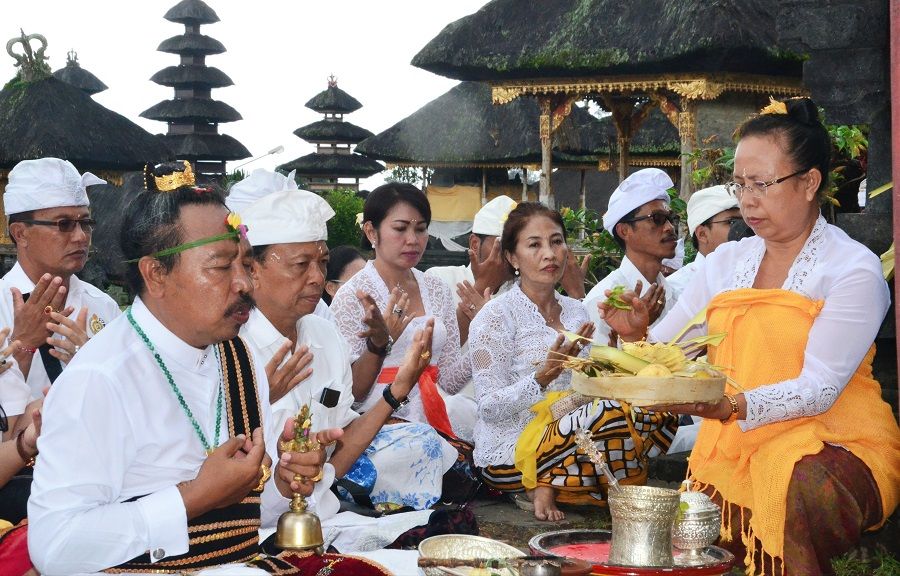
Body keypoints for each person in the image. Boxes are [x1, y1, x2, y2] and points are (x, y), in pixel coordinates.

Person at [601, 97, 900, 576]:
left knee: (793, 482)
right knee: (689, 525)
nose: (747, 200)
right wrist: (638, 338)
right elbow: (670, 353)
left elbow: (820, 388)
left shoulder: (851, 269)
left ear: (809, 183)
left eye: (762, 184)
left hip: (839, 439)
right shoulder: (725, 263)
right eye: (739, 185)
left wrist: (734, 408)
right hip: (733, 441)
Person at [27, 162, 372, 575]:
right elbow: (55, 547)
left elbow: (242, 522)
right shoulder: (99, 377)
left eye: (243, 263)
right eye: (221, 266)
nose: (243, 283)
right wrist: (193, 496)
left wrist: (283, 482)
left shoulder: (240, 358)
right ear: (156, 273)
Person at [233, 171, 452, 515]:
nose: (318, 278)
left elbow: (338, 453)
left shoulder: (324, 335)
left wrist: (398, 389)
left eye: (321, 263)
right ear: (252, 269)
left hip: (324, 517)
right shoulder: (232, 351)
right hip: (256, 525)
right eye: (301, 265)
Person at [469, 202, 678, 522]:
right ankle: (551, 483)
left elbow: (594, 385)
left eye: (556, 241)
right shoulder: (494, 317)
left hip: (577, 432)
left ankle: (578, 483)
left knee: (657, 404)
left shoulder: (576, 310)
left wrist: (631, 336)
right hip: (511, 452)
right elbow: (488, 407)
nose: (549, 253)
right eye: (534, 244)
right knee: (607, 415)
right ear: (512, 257)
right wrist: (541, 378)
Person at [330, 182, 480, 503]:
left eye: (421, 229)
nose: (412, 240)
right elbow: (350, 396)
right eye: (400, 228)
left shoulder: (437, 289)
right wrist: (379, 345)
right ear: (372, 232)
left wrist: (482, 336)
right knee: (420, 446)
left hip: (436, 408)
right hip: (376, 418)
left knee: (484, 423)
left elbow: (449, 381)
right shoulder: (352, 296)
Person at [0, 158, 120, 430]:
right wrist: (24, 345)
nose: (80, 237)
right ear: (20, 233)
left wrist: (92, 362)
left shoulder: (103, 306)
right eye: (64, 224)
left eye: (85, 223)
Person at [583, 169, 677, 344]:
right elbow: (596, 369)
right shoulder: (602, 302)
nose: (670, 227)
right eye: (657, 219)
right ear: (624, 231)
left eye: (671, 219)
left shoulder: (675, 295)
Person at [666, 185, 741, 299]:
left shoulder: (754, 276)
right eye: (731, 222)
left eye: (745, 221)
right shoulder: (676, 289)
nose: (742, 228)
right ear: (702, 234)